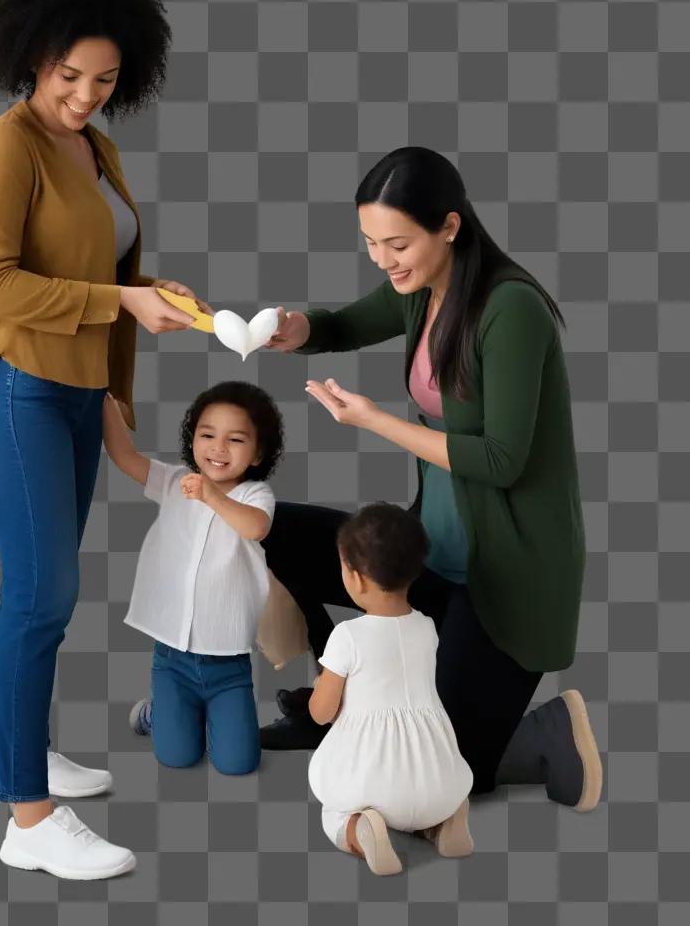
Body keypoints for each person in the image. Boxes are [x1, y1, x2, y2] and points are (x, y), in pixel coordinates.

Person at [0, 0, 211, 880]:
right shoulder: (6, 144)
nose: (86, 94)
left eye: (105, 79)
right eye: (70, 76)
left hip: (73, 392)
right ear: (31, 57)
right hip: (12, 385)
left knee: (47, 599)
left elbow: (103, 268)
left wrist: (149, 294)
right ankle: (27, 817)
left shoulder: (91, 145)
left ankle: (1, 757)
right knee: (40, 596)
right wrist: (117, 303)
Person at [260, 146, 603, 814]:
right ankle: (327, 704)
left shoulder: (511, 311)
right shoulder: (422, 290)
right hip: (429, 557)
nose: (385, 261)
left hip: (503, 576)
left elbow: (502, 458)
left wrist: (375, 422)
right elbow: (345, 324)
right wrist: (296, 329)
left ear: (449, 227)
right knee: (269, 531)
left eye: (397, 243)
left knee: (438, 788)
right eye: (369, 244)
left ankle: (541, 729)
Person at [102, 382, 284, 775]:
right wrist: (104, 400)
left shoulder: (256, 494)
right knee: (176, 757)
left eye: (235, 439)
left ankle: (199, 718)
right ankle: (157, 714)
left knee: (238, 764)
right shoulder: (173, 482)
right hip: (172, 660)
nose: (218, 448)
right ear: (192, 439)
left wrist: (211, 496)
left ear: (258, 453)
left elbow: (255, 528)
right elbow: (124, 455)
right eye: (207, 435)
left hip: (229, 664)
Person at [309, 502, 474, 875]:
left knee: (332, 809)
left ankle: (361, 830)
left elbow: (321, 713)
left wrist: (323, 684)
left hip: (372, 782)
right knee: (425, 795)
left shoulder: (347, 636)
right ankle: (444, 820)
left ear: (356, 578)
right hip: (437, 776)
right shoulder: (427, 628)